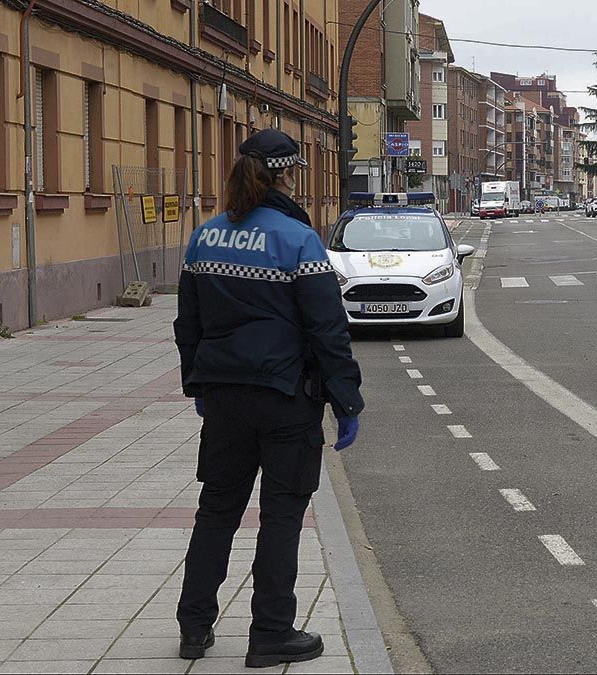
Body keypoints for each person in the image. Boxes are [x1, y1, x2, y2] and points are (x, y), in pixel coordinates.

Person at [173, 129, 363, 667]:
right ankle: (271, 632)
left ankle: (193, 627)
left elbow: (188, 324)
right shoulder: (299, 241)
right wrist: (346, 401)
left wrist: (198, 385)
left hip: (225, 400)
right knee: (281, 517)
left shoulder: (204, 238)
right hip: (285, 400)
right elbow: (328, 329)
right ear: (284, 175)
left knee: (215, 513)